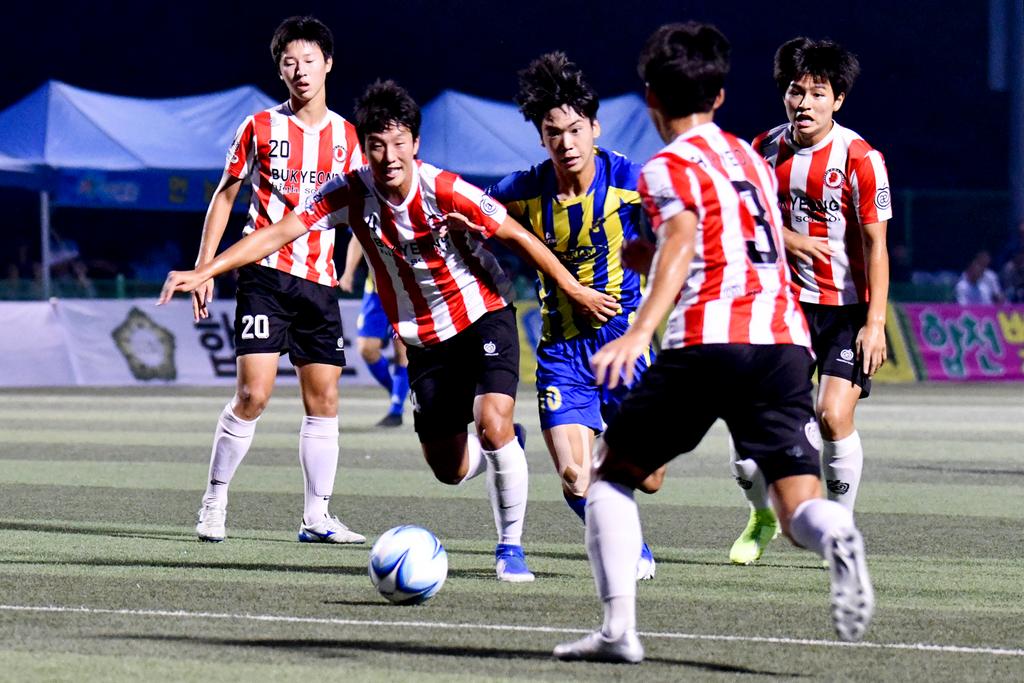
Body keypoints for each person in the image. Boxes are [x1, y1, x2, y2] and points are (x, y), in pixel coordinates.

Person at [159, 80, 620, 582]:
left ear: (415, 145)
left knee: (492, 421)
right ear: (364, 148)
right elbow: (279, 231)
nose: (389, 155)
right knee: (449, 469)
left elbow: (515, 234)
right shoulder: (350, 192)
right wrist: (206, 270)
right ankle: (501, 449)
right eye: (376, 144)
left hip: (483, 313)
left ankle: (510, 548)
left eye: (399, 142)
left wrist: (572, 288)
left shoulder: (445, 190)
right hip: (423, 338)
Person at [553, 22, 874, 663]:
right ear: (720, 97)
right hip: (783, 341)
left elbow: (680, 242)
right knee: (795, 507)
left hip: (708, 339)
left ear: (650, 98)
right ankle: (837, 530)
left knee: (608, 478)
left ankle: (618, 633)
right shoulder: (748, 155)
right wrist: (648, 252)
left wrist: (640, 330)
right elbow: (716, 237)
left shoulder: (666, 166)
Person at [186, 16, 366, 545]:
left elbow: (360, 215)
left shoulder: (349, 139)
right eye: (289, 62)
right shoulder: (259, 126)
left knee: (325, 401)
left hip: (319, 281)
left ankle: (316, 518)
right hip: (264, 275)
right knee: (254, 394)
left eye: (309, 60)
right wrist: (205, 266)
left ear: (328, 64)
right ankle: (214, 500)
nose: (300, 70)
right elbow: (225, 195)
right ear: (280, 70)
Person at [487, 52, 659, 581]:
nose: (566, 142)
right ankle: (625, 538)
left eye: (575, 129)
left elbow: (678, 229)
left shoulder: (630, 177)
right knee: (573, 476)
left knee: (650, 478)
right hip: (563, 350)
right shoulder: (522, 191)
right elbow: (464, 217)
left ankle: (612, 450)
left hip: (624, 343)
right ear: (541, 137)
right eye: (553, 131)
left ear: (594, 128)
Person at [727, 36, 893, 566]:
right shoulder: (762, 149)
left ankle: (839, 525)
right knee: (752, 425)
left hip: (844, 309)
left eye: (817, 93)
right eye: (796, 91)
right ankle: (762, 515)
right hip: (782, 306)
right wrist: (792, 241)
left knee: (831, 416)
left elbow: (876, 245)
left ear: (838, 99)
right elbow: (742, 220)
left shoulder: (862, 160)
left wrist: (876, 322)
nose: (804, 103)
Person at [339, 236, 409, 426]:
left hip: (407, 290)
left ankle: (396, 409)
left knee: (402, 349)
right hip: (376, 292)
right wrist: (348, 273)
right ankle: (397, 390)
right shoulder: (370, 208)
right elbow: (357, 237)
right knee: (366, 348)